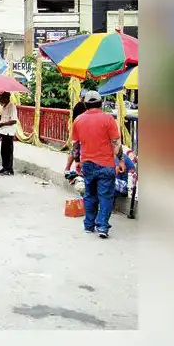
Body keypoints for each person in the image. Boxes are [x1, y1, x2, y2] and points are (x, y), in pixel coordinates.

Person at [69, 90, 124, 238]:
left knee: (90, 194)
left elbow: (75, 145)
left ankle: (88, 225)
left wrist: (77, 162)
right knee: (105, 196)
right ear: (100, 103)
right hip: (106, 164)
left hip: (87, 163)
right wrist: (121, 161)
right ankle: (102, 227)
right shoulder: (108, 119)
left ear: (86, 104)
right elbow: (116, 144)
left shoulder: (78, 120)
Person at [0, 92, 18, 175]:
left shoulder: (12, 106)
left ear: (6, 98)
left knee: (8, 151)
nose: (0, 101)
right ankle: (5, 167)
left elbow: (14, 120)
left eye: (1, 99)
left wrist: (2, 124)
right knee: (3, 151)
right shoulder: (4, 107)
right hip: (3, 131)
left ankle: (9, 169)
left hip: (9, 132)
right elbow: (2, 118)